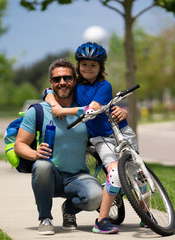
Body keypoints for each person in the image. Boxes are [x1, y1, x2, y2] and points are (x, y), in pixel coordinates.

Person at [43, 42, 140, 234]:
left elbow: (94, 109)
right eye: (84, 64)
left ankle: (147, 215)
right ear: (78, 66)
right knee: (114, 174)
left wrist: (63, 110)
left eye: (93, 65)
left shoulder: (104, 85)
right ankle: (102, 220)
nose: (88, 68)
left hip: (120, 131)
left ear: (100, 68)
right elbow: (47, 92)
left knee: (138, 174)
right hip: (100, 137)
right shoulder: (75, 85)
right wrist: (54, 103)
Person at [14, 58, 103, 235]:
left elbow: (106, 110)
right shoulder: (38, 111)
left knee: (97, 197)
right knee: (41, 165)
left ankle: (69, 210)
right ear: (51, 83)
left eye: (67, 78)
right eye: (57, 79)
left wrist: (121, 113)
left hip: (78, 176)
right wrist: (34, 154)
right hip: (50, 176)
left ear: (74, 80)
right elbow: (19, 145)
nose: (62, 82)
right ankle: (45, 218)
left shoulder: (85, 111)